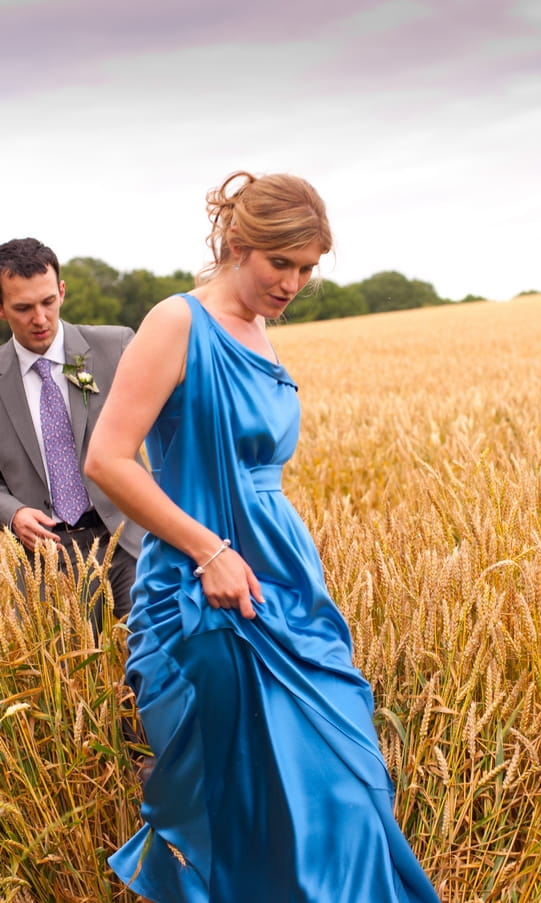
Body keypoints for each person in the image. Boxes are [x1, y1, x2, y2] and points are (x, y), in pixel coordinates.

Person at [85, 171, 440, 903]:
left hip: (286, 582)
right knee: (258, 812)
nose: (294, 282)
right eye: (281, 262)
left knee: (351, 784)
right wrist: (210, 551)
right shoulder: (177, 321)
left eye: (308, 268)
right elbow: (108, 460)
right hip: (202, 592)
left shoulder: (262, 331)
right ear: (239, 245)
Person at [0, 238, 145, 631]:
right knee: (71, 685)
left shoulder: (116, 346)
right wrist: (11, 514)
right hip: (45, 563)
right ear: (0, 308)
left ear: (62, 291)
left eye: (48, 301)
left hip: (131, 543)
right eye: (23, 308)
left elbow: (174, 427)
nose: (40, 318)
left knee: (156, 671)